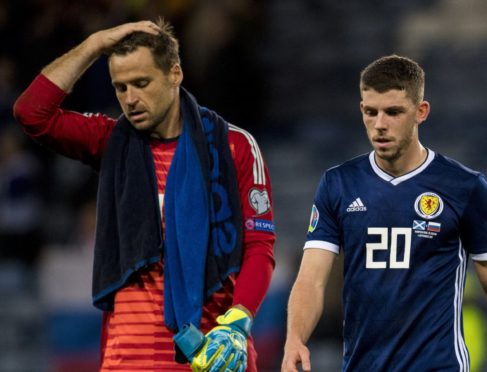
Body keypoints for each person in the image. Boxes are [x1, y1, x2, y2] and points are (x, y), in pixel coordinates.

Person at [13, 18, 276, 371]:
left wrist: (239, 318)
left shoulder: (233, 146)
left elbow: (258, 245)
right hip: (127, 360)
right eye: (120, 88)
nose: (130, 99)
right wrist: (93, 45)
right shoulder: (109, 142)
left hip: (214, 353)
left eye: (141, 83)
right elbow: (32, 114)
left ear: (175, 74)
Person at [281, 55, 487, 372]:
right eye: (370, 111)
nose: (379, 124)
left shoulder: (464, 187)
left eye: (393, 112)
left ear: (421, 112)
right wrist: (294, 339)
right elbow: (312, 280)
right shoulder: (339, 184)